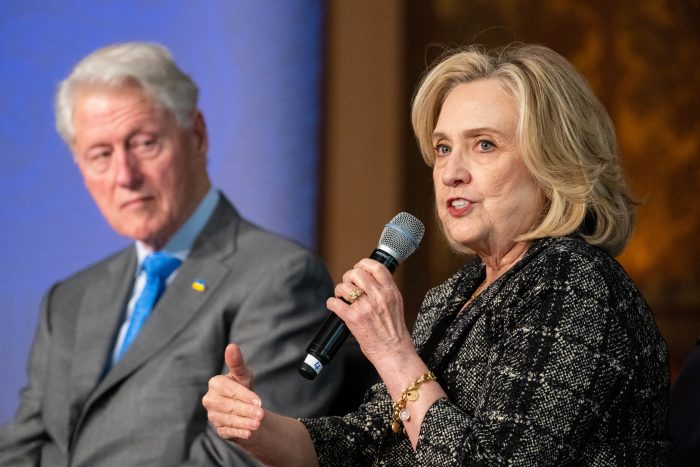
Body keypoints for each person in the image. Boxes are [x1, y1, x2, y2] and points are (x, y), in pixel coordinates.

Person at [203, 43, 671, 465]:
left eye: (484, 145)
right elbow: (361, 444)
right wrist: (258, 428)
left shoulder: (575, 284)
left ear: (554, 163)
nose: (451, 172)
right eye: (443, 148)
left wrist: (392, 350)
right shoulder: (456, 292)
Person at [0, 42, 343, 466]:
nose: (124, 176)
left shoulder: (281, 278)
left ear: (196, 135)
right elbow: (22, 449)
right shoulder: (67, 300)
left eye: (144, 143)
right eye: (101, 155)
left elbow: (244, 459)